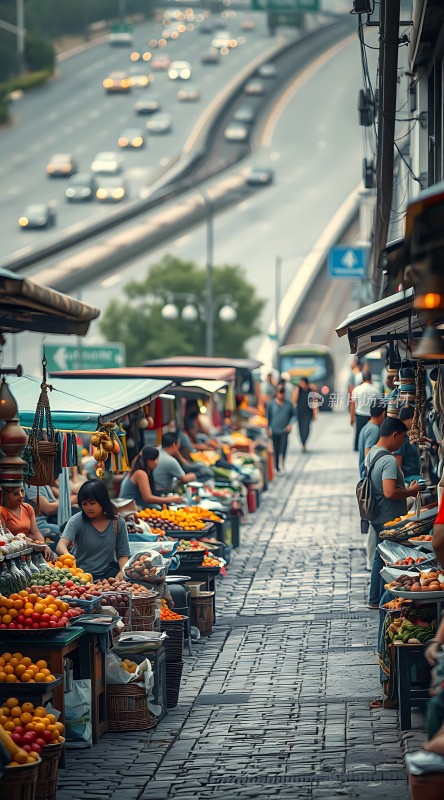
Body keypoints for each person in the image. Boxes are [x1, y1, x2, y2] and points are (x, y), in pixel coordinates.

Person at [365, 417, 420, 609]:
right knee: (391, 562)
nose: (402, 443)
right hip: (389, 518)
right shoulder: (388, 459)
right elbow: (389, 492)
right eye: (402, 438)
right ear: (395, 435)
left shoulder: (372, 452)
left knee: (380, 557)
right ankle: (384, 600)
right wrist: (411, 492)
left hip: (377, 514)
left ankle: (374, 599)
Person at [57, 480, 130, 581]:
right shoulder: (77, 520)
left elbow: (123, 554)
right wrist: (69, 557)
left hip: (108, 574)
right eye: (84, 504)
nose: (88, 508)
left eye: (92, 503)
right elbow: (61, 545)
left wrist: (122, 571)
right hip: (80, 575)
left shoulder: (118, 523)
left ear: (103, 501)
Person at [0, 484, 56, 561]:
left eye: (22, 491)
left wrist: (44, 545)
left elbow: (36, 532)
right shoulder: (2, 511)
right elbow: (6, 538)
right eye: (16, 494)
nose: (21, 496)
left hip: (32, 546)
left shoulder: (27, 508)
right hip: (14, 551)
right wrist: (29, 542)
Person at [267, 383, 295, 473]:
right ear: (276, 393)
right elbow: (268, 417)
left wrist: (290, 425)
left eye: (282, 392)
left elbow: (294, 415)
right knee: (276, 449)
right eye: (279, 392)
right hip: (274, 430)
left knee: (283, 448)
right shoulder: (271, 404)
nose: (281, 395)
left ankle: (282, 464)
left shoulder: (288, 404)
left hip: (284, 430)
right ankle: (276, 467)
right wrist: (268, 429)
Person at [350, 370, 380, 452]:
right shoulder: (375, 390)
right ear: (371, 378)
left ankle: (357, 447)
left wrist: (352, 418)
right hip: (372, 416)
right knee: (372, 432)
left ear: (362, 378)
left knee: (359, 432)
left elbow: (353, 404)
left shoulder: (357, 389)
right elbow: (378, 404)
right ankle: (370, 447)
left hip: (360, 414)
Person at [358, 400, 386, 479]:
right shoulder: (374, 429)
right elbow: (368, 454)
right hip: (369, 476)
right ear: (384, 413)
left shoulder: (367, 426)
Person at [394, 405, 422, 483]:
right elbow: (397, 464)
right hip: (408, 478)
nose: (415, 422)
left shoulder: (409, 434)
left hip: (414, 475)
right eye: (414, 419)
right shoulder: (400, 436)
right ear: (407, 419)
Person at [292, 376, 317, 453]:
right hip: (300, 412)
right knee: (300, 428)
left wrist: (315, 413)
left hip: (308, 412)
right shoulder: (298, 390)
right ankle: (303, 443)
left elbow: (314, 402)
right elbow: (294, 400)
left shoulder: (310, 391)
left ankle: (305, 441)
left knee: (306, 428)